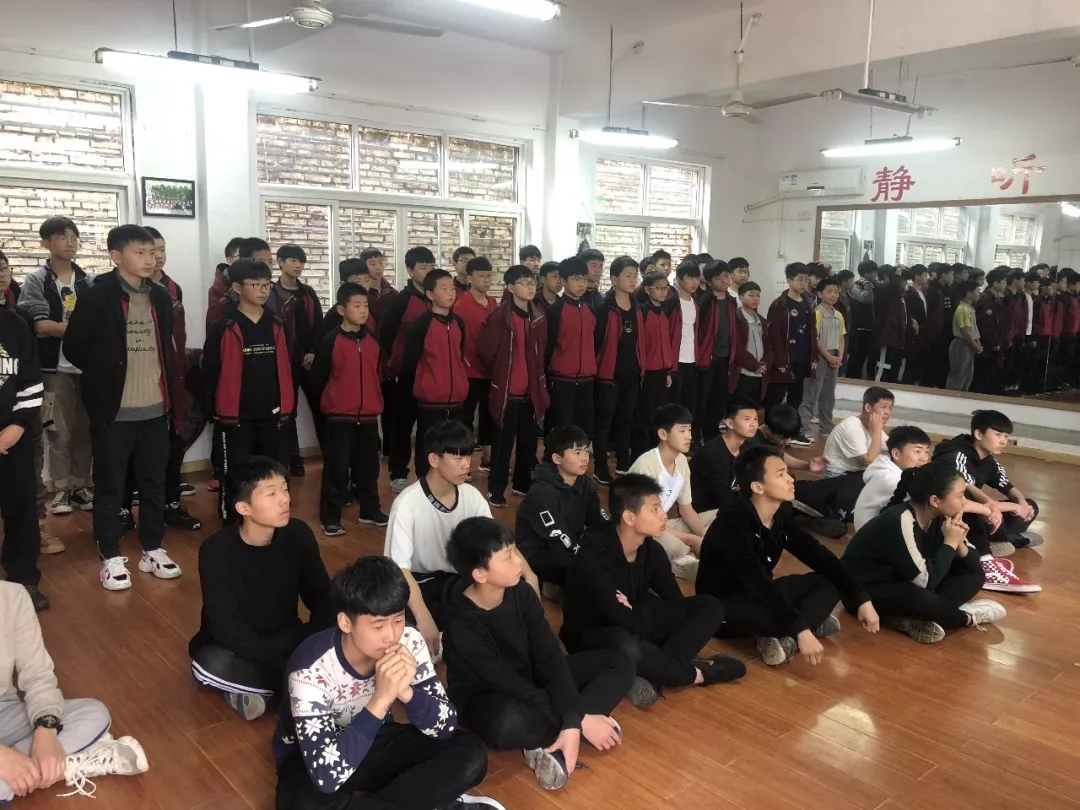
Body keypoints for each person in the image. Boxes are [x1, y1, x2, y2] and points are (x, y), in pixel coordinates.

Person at [273, 556, 503, 810]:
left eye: (398, 619)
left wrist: (406, 692)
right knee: (301, 804)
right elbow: (326, 776)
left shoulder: (409, 640)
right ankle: (430, 802)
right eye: (378, 626)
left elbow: (446, 726)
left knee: (471, 753)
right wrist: (381, 699)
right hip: (314, 755)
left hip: (377, 739)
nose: (392, 635)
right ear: (345, 622)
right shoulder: (310, 669)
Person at [443, 518, 631, 791]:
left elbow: (549, 655)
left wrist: (573, 716)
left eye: (515, 550)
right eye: (508, 557)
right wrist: (579, 717)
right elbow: (506, 682)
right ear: (480, 574)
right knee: (508, 723)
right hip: (489, 696)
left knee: (620, 662)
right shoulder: (461, 623)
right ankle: (579, 727)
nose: (519, 561)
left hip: (533, 678)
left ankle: (556, 738)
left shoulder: (520, 592)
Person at [63, 225, 183, 591]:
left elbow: (166, 347)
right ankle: (110, 554)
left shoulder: (160, 296)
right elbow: (74, 348)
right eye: (140, 253)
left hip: (155, 408)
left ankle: (152, 548)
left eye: (152, 252)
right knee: (110, 486)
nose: (150, 259)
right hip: (113, 412)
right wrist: (107, 377)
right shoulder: (97, 295)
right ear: (116, 256)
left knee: (153, 484)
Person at [559, 473, 745, 708]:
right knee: (628, 646)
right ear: (629, 517)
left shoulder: (651, 550)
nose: (663, 515)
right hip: (594, 635)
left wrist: (640, 608)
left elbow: (676, 604)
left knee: (709, 607)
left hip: (636, 623)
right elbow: (622, 622)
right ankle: (699, 674)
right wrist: (647, 609)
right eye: (655, 509)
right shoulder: (593, 558)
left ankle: (655, 672)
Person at [697, 445, 880, 666]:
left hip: (760, 596)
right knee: (777, 615)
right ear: (757, 487)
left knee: (830, 581)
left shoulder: (779, 515)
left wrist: (860, 597)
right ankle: (802, 627)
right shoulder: (732, 523)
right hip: (723, 608)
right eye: (780, 474)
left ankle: (788, 638)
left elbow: (818, 555)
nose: (791, 479)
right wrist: (800, 628)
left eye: (787, 472)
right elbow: (756, 580)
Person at [190, 456, 333, 720]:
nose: (285, 499)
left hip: (287, 637)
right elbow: (225, 626)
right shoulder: (216, 550)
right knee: (211, 664)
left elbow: (322, 596)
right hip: (236, 647)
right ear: (243, 507)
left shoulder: (298, 534)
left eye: (285, 489)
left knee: (342, 630)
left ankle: (261, 692)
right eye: (272, 493)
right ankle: (294, 687)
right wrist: (281, 661)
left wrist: (315, 640)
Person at [385, 421, 539, 657]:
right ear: (434, 460)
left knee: (514, 593)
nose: (466, 464)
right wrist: (423, 617)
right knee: (409, 639)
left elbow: (500, 543)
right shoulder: (407, 504)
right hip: (420, 585)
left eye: (468, 455)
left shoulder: (471, 495)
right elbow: (399, 570)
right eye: (457, 457)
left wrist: (530, 575)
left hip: (462, 580)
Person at [0, 581, 149, 801]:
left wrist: (46, 732)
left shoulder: (12, 596)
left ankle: (27, 770)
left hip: (4, 710)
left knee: (93, 713)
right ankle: (67, 765)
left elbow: (38, 676)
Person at [843, 461, 1007, 643]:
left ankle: (915, 616)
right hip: (863, 592)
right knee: (923, 599)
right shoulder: (900, 520)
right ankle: (966, 617)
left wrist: (959, 543)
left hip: (904, 580)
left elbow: (974, 565)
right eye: (960, 496)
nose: (964, 503)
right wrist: (950, 543)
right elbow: (925, 580)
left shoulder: (942, 516)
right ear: (935, 500)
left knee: (974, 575)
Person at [203, 258, 295, 524]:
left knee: (274, 473)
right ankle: (232, 524)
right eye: (256, 285)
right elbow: (210, 371)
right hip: (236, 417)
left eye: (266, 285)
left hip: (273, 414)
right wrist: (214, 409)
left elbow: (286, 366)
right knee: (235, 474)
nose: (263, 291)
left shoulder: (276, 323)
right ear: (237, 288)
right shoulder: (224, 326)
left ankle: (270, 522)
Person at [19, 216, 94, 518]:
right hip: (53, 368)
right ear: (45, 242)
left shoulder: (88, 281)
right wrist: (78, 331)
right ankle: (61, 488)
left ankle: (81, 485)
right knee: (58, 431)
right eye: (63, 236)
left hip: (85, 368)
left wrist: (63, 328)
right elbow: (39, 325)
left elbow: (96, 324)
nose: (71, 242)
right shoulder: (37, 280)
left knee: (84, 429)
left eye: (74, 237)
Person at [932, 410, 1043, 594]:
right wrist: (1010, 507)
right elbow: (966, 490)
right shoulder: (956, 454)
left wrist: (1022, 503)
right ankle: (987, 560)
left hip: (976, 510)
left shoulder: (988, 460)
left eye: (1006, 436)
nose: (1003, 441)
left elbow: (1006, 485)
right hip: (951, 512)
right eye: (998, 434)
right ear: (978, 434)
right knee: (974, 509)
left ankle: (998, 538)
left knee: (1031, 506)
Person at [312, 283, 388, 536]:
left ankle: (370, 509)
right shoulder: (330, 341)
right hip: (339, 416)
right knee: (336, 468)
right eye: (357, 306)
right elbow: (319, 379)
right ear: (342, 309)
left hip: (368, 415)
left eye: (365, 305)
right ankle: (330, 516)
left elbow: (378, 373)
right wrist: (333, 401)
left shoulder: (373, 340)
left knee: (369, 467)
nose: (363, 310)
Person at [139, 226, 199, 530]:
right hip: (140, 379)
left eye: (161, 249)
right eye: (150, 251)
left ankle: (172, 504)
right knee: (139, 447)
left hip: (172, 377)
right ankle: (128, 508)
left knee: (174, 441)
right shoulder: (128, 289)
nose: (158, 256)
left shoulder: (173, 287)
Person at [477, 266, 550, 508]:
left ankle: (522, 483)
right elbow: (485, 352)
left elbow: (542, 351)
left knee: (528, 443)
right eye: (524, 283)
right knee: (503, 444)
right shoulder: (500, 316)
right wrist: (500, 373)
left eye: (532, 282)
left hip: (531, 392)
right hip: (507, 391)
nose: (530, 287)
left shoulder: (538, 316)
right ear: (510, 287)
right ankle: (496, 490)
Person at [628, 404, 717, 581]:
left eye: (689, 430)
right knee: (671, 544)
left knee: (719, 515)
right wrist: (690, 538)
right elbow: (642, 520)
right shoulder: (646, 465)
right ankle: (683, 560)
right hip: (642, 529)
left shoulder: (682, 462)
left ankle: (694, 553)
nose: (689, 436)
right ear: (663, 434)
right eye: (682, 431)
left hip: (663, 523)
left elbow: (686, 508)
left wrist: (703, 537)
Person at [0, 302, 49, 611]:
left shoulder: (14, 325)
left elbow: (31, 382)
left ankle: (23, 579)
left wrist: (17, 426)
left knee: (21, 510)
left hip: (11, 437)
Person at [515, 425, 606, 588]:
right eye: (577, 453)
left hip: (569, 546)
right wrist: (586, 554)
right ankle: (555, 588)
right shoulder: (541, 492)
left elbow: (598, 522)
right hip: (539, 554)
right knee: (588, 566)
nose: (585, 458)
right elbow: (558, 536)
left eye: (586, 451)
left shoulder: (584, 483)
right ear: (557, 459)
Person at [403, 269, 469, 480]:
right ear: (430, 294)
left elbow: (460, 356)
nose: (450, 293)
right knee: (428, 443)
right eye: (444, 289)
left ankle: (451, 479)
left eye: (452, 289)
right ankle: (424, 481)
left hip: (457, 398)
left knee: (454, 444)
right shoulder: (421, 324)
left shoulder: (459, 322)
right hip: (430, 398)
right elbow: (410, 363)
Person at [793, 386, 893, 525]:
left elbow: (892, 447)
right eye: (883, 407)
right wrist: (877, 430)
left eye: (890, 408)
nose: (888, 412)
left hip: (856, 475)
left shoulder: (871, 426)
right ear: (868, 407)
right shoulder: (852, 427)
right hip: (839, 478)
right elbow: (869, 461)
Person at [266, 243, 324, 478]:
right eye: (292, 260)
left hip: (311, 358)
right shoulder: (272, 293)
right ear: (280, 262)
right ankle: (294, 459)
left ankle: (330, 455)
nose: (297, 265)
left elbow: (319, 325)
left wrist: (314, 352)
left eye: (300, 261)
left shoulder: (308, 292)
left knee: (322, 407)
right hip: (286, 360)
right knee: (288, 412)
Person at [382, 246, 435, 492]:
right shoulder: (402, 299)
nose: (428, 271)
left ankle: (426, 472)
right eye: (423, 267)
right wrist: (396, 365)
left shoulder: (437, 299)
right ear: (410, 270)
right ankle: (398, 473)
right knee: (402, 426)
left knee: (427, 427)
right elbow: (386, 334)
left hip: (431, 373)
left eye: (431, 267)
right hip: (405, 374)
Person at [593, 256, 641, 485]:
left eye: (635, 276)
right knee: (604, 423)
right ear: (614, 279)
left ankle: (624, 462)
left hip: (632, 373)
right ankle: (600, 466)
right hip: (609, 374)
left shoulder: (638, 308)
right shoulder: (605, 309)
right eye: (628, 276)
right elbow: (596, 344)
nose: (633, 280)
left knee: (626, 419)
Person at [763, 263, 816, 446]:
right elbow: (773, 335)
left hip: (802, 358)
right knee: (775, 398)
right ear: (789, 280)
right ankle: (769, 433)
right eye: (800, 280)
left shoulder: (808, 304)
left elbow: (812, 333)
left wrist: (813, 357)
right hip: (783, 360)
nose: (804, 283)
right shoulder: (779, 305)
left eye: (806, 280)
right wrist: (779, 361)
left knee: (796, 398)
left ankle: (791, 433)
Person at [545, 257, 597, 439]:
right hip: (561, 381)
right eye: (576, 279)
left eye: (584, 279)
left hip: (587, 381)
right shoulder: (555, 311)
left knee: (584, 431)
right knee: (560, 431)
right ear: (563, 281)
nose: (581, 284)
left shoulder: (591, 310)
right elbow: (547, 347)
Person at [456, 257, 498, 474]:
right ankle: (463, 463)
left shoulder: (493, 303)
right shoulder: (461, 305)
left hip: (491, 371)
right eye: (481, 276)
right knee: (465, 418)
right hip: (469, 371)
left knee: (490, 416)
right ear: (470, 278)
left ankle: (488, 458)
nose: (486, 280)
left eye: (489, 276)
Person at [852, 425, 932, 531]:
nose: (924, 458)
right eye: (917, 451)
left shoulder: (894, 470)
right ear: (896, 454)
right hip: (871, 535)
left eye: (926, 452)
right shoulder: (888, 479)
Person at [632, 271, 677, 459]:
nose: (663, 292)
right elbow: (640, 344)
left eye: (665, 288)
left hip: (662, 371)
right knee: (645, 415)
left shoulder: (665, 311)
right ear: (647, 289)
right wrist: (642, 371)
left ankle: (656, 450)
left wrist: (668, 371)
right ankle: (642, 454)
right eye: (658, 288)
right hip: (647, 372)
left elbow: (667, 342)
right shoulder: (642, 312)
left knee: (660, 413)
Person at [690, 397, 759, 515]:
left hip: (730, 504)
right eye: (747, 419)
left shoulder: (749, 447)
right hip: (707, 512)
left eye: (755, 419)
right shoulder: (712, 454)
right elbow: (723, 497)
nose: (753, 424)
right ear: (729, 423)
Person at [695, 261, 738, 444]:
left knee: (718, 399)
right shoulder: (704, 301)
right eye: (718, 278)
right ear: (709, 280)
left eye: (726, 276)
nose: (724, 281)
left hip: (725, 357)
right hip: (707, 358)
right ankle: (695, 437)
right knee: (702, 399)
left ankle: (711, 434)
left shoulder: (731, 301)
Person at [800, 277, 845, 438]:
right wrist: (828, 356)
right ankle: (804, 428)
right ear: (819, 294)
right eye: (829, 291)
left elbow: (841, 338)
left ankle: (826, 426)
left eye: (836, 292)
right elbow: (816, 339)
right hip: (819, 356)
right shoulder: (816, 313)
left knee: (828, 393)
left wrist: (839, 357)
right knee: (812, 392)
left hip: (834, 356)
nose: (833, 295)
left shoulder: (838, 315)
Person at [730, 281, 770, 406]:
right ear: (741, 298)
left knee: (755, 406)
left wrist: (766, 363)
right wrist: (754, 365)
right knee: (740, 407)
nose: (755, 299)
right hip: (743, 372)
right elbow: (737, 347)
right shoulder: (736, 318)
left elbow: (769, 346)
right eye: (751, 295)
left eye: (758, 296)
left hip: (760, 372)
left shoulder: (762, 321)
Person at [670, 260, 701, 423]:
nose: (694, 282)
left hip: (692, 360)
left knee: (690, 404)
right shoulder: (671, 303)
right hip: (675, 361)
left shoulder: (696, 303)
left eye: (697, 278)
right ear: (679, 279)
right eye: (690, 278)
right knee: (673, 404)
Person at [946, 281, 981, 392]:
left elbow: (973, 329)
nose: (979, 293)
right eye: (977, 291)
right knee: (958, 375)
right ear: (968, 294)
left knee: (967, 375)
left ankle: (962, 396)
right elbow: (965, 331)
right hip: (961, 344)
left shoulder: (969, 308)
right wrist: (975, 345)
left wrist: (977, 343)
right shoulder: (962, 309)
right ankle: (952, 397)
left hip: (968, 344)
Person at [846, 260, 878, 380]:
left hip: (869, 328)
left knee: (863, 357)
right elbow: (867, 299)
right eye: (873, 273)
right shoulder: (856, 286)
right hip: (859, 328)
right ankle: (851, 379)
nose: (875, 275)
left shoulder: (873, 285)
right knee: (857, 357)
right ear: (866, 273)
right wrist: (868, 285)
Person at [901, 265, 930, 385]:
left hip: (921, 332)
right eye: (924, 275)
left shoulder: (920, 292)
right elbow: (909, 313)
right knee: (911, 362)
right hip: (913, 334)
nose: (927, 277)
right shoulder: (910, 293)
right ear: (917, 277)